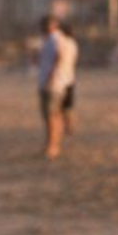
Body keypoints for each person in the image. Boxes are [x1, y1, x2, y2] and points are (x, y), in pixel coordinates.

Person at [36, 16, 77, 158]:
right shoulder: (50, 40)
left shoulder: (56, 39)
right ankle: (51, 144)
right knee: (52, 116)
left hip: (54, 84)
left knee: (52, 116)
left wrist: (51, 76)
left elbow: (59, 57)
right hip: (55, 82)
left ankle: (53, 146)